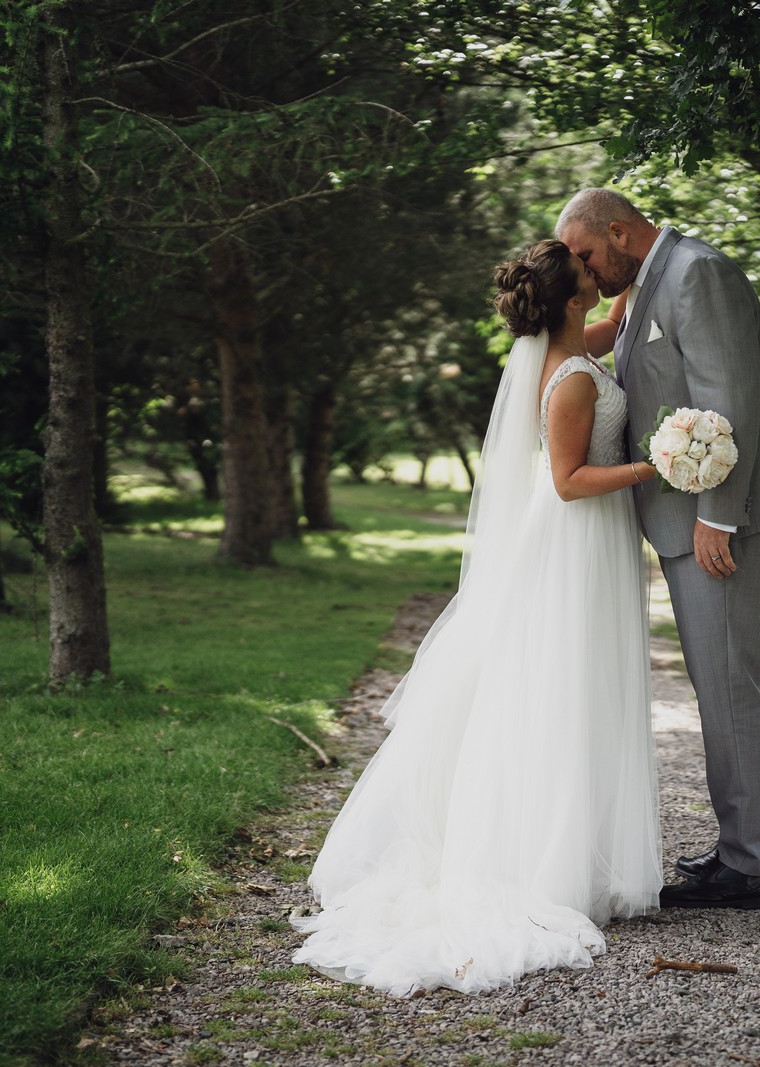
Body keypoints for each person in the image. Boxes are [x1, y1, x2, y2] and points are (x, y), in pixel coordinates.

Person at [291, 240, 662, 996]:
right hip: (574, 540)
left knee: (571, 686)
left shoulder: (565, 349)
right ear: (567, 300)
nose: (598, 279)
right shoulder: (568, 384)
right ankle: (544, 858)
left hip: (583, 544)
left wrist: (636, 280)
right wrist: (654, 466)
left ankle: (571, 843)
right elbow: (567, 480)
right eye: (588, 275)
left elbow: (610, 327)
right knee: (562, 686)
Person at [556, 189, 760, 909]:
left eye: (584, 254)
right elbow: (628, 351)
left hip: (726, 513)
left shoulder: (697, 273)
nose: (581, 270)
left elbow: (727, 396)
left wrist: (720, 517)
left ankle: (748, 867)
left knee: (728, 681)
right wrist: (536, 341)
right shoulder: (650, 279)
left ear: (619, 231)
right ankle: (737, 849)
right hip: (694, 511)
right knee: (716, 680)